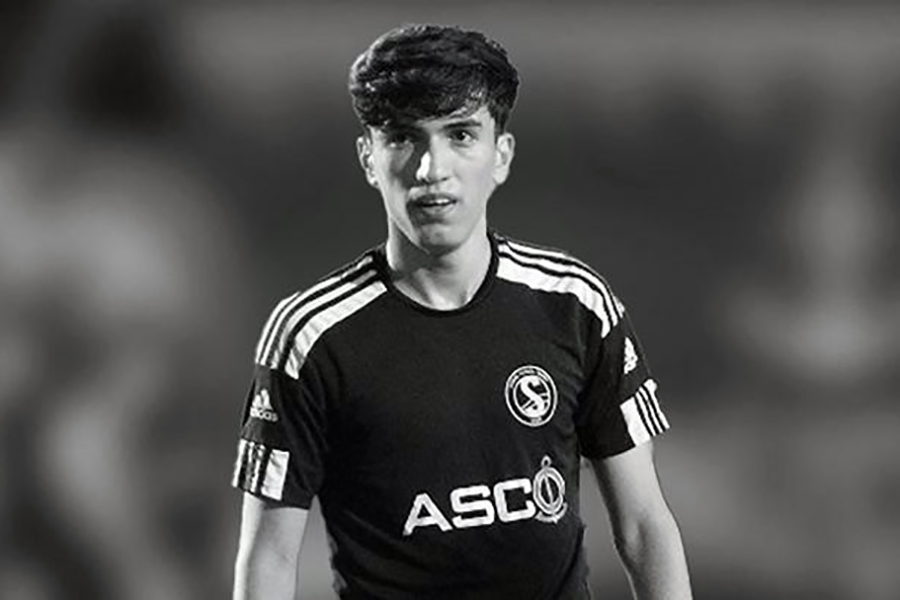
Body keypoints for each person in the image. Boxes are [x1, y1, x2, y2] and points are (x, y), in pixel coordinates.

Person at [231, 23, 692, 600]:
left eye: (461, 135)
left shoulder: (575, 305)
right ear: (368, 158)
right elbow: (270, 558)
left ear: (502, 155)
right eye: (403, 138)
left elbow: (644, 527)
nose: (432, 169)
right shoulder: (309, 336)